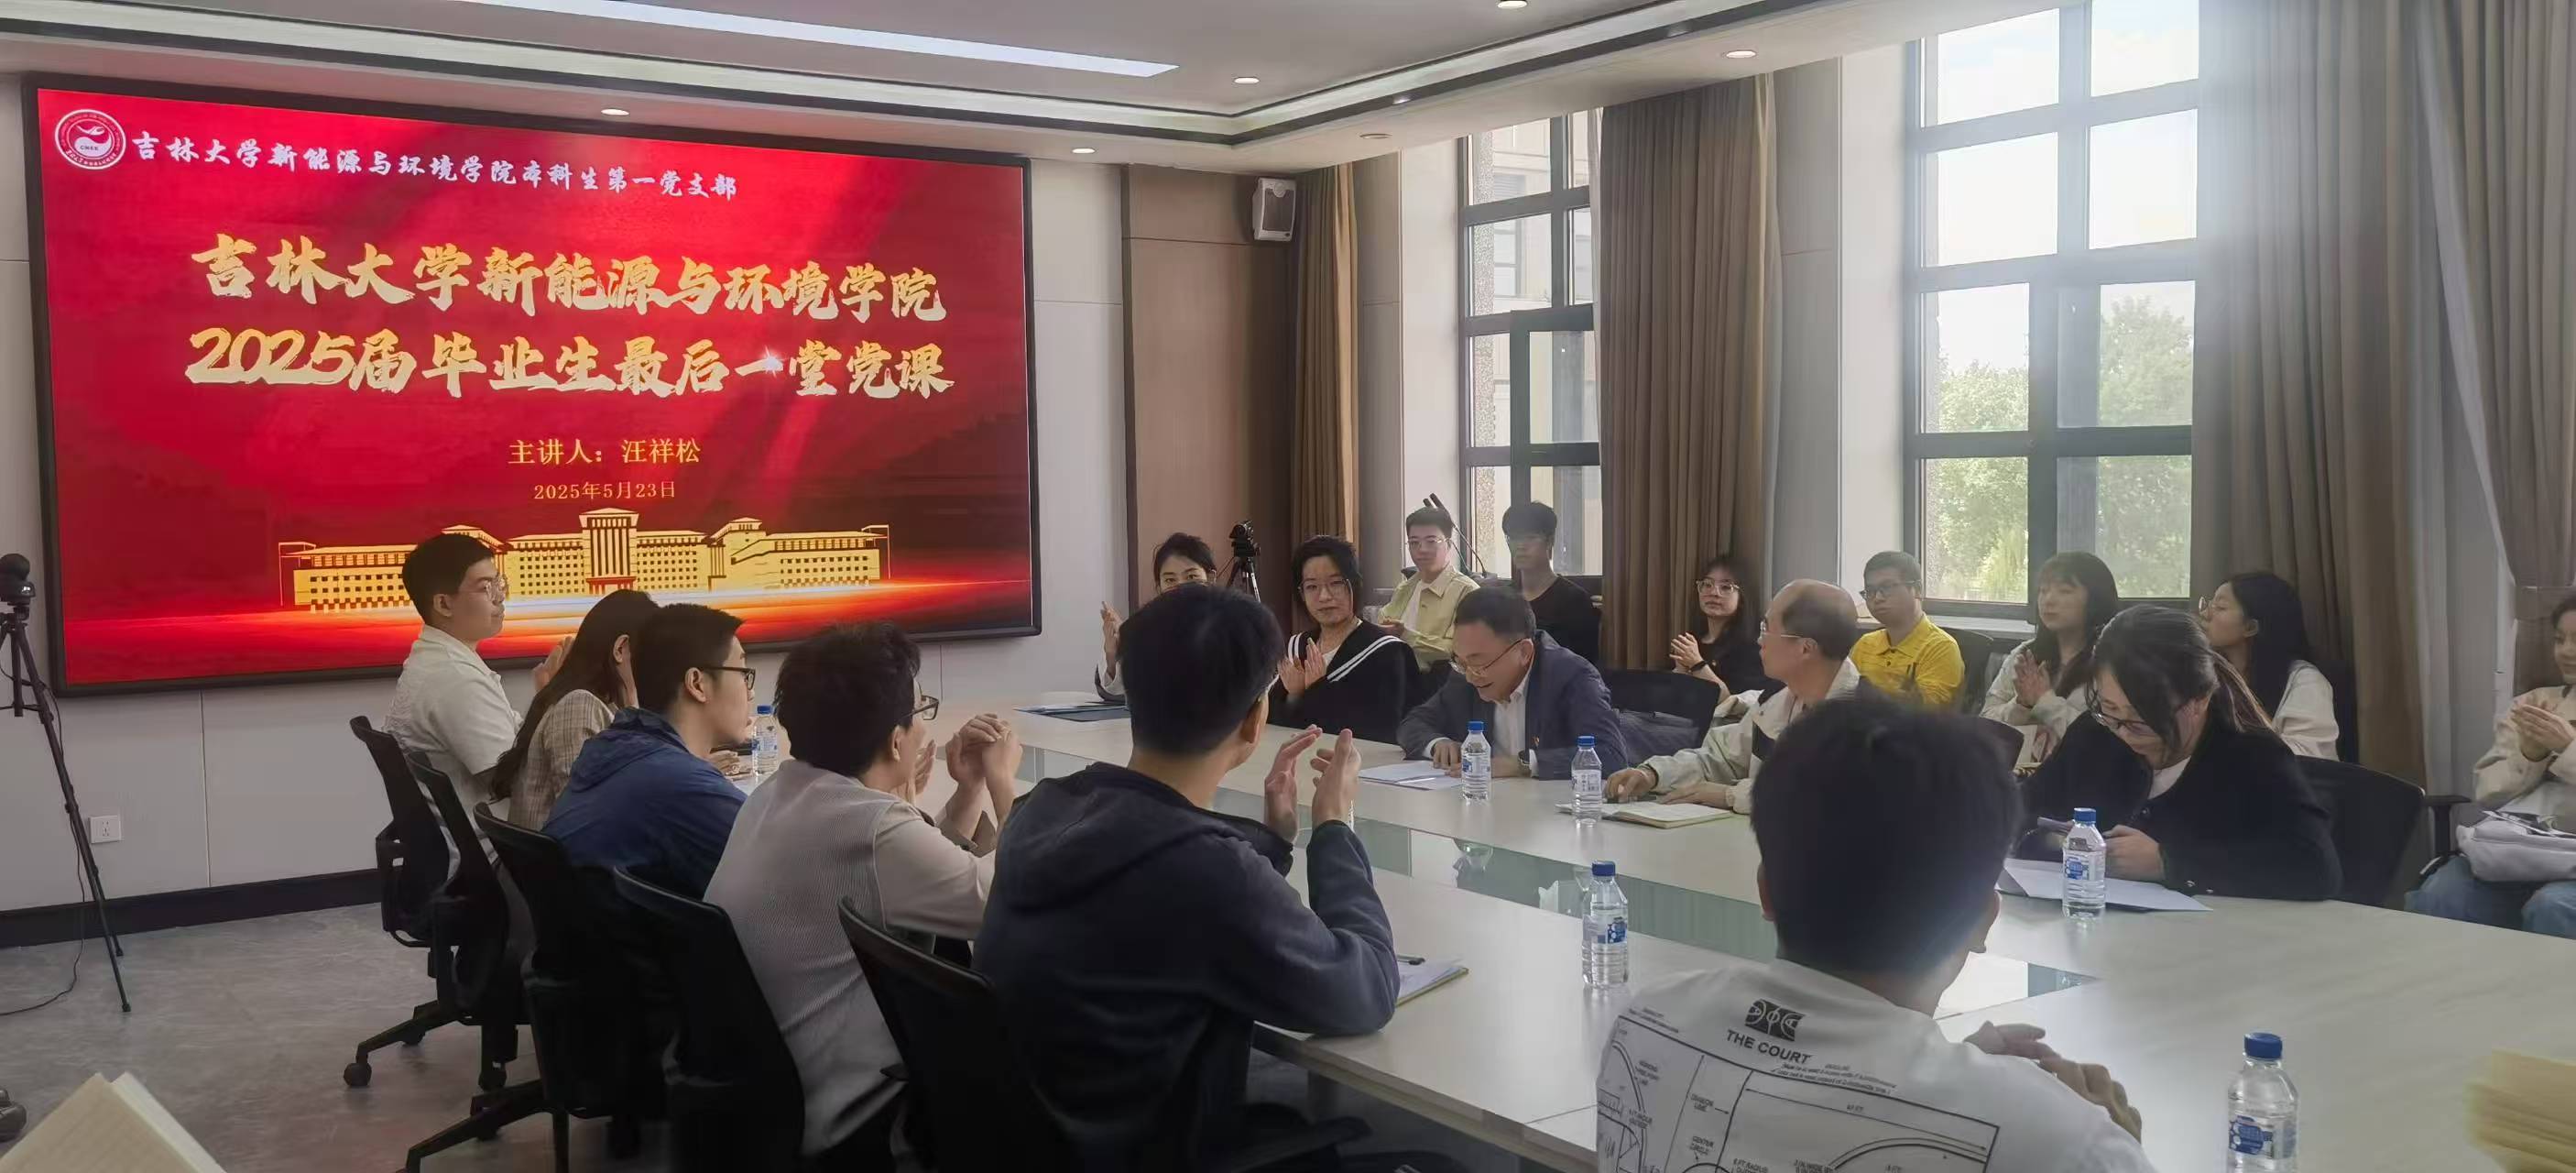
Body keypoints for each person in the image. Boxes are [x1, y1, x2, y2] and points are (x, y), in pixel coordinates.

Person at [1599, 697, 2153, 1173]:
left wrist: (1957, 1072)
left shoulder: (1647, 1024)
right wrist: (2111, 1148)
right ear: (1983, 919)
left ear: (1765, 892)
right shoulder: (2059, 1142)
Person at [978, 586, 1397, 1171]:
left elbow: (1170, 883)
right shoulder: (1205, 872)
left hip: (1052, 1141)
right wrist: (1333, 826)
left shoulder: (1042, 810)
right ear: (1256, 720)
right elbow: (1365, 990)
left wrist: (1271, 842)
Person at [706, 623, 1023, 1160]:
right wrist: (1002, 783)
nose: (924, 726)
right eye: (920, 711)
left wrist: (967, 789)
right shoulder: (864, 825)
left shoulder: (780, 792)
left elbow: (915, 871)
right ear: (896, 740)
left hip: (767, 1089)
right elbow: (1006, 899)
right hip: (849, 1108)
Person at [2023, 605, 2341, 901]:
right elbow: (2020, 810)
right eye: (2110, 709)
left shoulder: (2252, 755)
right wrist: (2056, 841)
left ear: (2199, 700)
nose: (2124, 731)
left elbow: (2314, 868)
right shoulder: (2095, 733)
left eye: (2142, 717)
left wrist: (2168, 862)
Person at [544, 603, 753, 898]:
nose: (750, 692)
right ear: (697, 683)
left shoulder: (617, 746)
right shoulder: (678, 783)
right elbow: (780, 875)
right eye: (743, 674)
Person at [1605, 580, 1862, 812]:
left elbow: (1821, 797)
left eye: (1767, 628)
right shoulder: (1777, 698)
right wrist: (1653, 774)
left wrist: (1730, 795)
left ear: (1805, 648)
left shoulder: (1862, 718)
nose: (1760, 640)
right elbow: (1721, 759)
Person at [2407, 595, 2576, 937]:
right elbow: (2488, 794)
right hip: (2518, 849)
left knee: (2553, 906)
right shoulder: (2534, 705)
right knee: (2443, 893)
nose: (2566, 651)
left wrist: (2568, 748)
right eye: (2560, 639)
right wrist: (2530, 756)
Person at [387, 532, 564, 803]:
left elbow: (515, 742)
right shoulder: (456, 679)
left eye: (498, 583)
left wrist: (546, 698)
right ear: (444, 604)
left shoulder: (440, 659)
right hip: (495, 827)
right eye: (485, 588)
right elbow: (509, 782)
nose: (500, 597)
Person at [1397, 585, 1632, 778]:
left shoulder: (1571, 676)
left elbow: (1610, 755)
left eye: (1479, 661)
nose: (1470, 675)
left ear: (1524, 652)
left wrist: (1521, 763)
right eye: (1461, 661)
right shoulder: (1465, 673)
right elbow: (1413, 723)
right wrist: (1438, 743)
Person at [493, 588, 659, 828]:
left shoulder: (597, 704)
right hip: (565, 850)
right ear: (621, 649)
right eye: (654, 653)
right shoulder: (579, 705)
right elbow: (583, 814)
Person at [1982, 553, 2121, 768]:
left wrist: (2046, 702)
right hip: (2016, 776)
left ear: (2096, 599)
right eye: (2043, 590)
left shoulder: (2113, 663)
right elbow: (1985, 724)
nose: (2048, 600)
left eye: (2064, 591)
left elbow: (2107, 743)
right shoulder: (2025, 655)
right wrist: (2021, 705)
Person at [1270, 535, 1411, 743]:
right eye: (1312, 587)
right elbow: (1271, 721)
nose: (1324, 596)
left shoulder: (1386, 652)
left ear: (1354, 585)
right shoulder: (1296, 649)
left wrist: (1318, 689)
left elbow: (1380, 730)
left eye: (1335, 583)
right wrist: (1294, 696)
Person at [2199, 572, 2341, 759]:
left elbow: (2306, 757)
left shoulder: (2304, 682)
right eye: (2209, 604)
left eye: (2220, 607)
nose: (2205, 614)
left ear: (2251, 627)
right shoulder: (2206, 673)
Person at [1096, 532, 1217, 702]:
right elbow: (1119, 693)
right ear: (1160, 588)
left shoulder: (1232, 623)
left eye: (1191, 577)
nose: (1180, 587)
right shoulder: (1148, 630)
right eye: (1170, 580)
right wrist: (1113, 653)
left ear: (1210, 579)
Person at [1849, 550, 1965, 708]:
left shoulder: (1941, 647)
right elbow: (1845, 699)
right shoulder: (1865, 644)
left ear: (1917, 590)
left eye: (1887, 587)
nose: (1877, 598)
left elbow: (1925, 714)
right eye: (1870, 591)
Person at [1501, 500, 1599, 664]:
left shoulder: (1574, 600)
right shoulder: (1502, 600)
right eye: (1514, 538)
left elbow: (1583, 665)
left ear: (1550, 541)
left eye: (1530, 538)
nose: (1520, 546)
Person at [1664, 552, 1775, 696]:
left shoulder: (1753, 648)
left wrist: (1697, 664)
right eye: (1707, 584)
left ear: (1743, 596)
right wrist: (1681, 671)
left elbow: (1737, 704)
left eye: (1725, 587)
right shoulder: (1692, 641)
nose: (1713, 593)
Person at [1381, 499, 1468, 674]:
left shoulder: (1467, 591)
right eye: (1414, 543)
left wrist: (1406, 635)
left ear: (1448, 545)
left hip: (1435, 682)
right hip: (1391, 675)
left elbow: (1458, 650)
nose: (1422, 550)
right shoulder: (1405, 588)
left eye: (1431, 541)